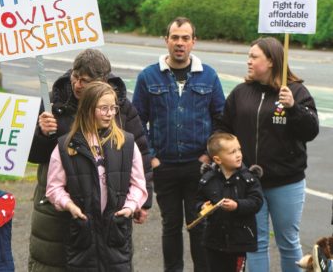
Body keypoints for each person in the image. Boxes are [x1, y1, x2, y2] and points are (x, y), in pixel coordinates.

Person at [27, 48, 152, 271]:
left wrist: (143, 201)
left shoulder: (121, 108)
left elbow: (139, 152)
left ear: (103, 81)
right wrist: (43, 134)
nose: (77, 85)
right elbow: (34, 155)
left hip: (106, 209)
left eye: (86, 81)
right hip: (57, 210)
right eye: (76, 77)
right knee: (54, 262)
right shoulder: (53, 103)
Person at [215, 36, 319, 272]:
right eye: (248, 56)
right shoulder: (241, 92)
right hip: (249, 182)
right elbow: (223, 126)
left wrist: (294, 108)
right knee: (256, 242)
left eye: (254, 57)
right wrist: (223, 150)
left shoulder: (296, 91)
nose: (248, 61)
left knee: (288, 241)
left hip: (287, 183)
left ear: (271, 61)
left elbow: (311, 130)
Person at [132, 16, 225, 272]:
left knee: (200, 223)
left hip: (200, 167)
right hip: (165, 167)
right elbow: (136, 120)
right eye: (175, 37)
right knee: (171, 226)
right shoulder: (148, 77)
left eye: (185, 38)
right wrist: (150, 156)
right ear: (166, 41)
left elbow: (221, 119)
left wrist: (208, 155)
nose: (180, 43)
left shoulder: (209, 75)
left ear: (194, 42)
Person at [46, 81, 148, 271]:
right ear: (87, 109)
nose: (110, 113)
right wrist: (69, 205)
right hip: (82, 234)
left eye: (113, 108)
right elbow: (54, 187)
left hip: (116, 233)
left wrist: (130, 207)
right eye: (103, 108)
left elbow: (138, 184)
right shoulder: (66, 146)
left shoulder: (126, 143)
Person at [196, 133, 264, 272]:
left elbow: (256, 202)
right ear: (217, 159)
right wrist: (202, 207)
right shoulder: (208, 179)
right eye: (232, 152)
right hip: (214, 240)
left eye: (239, 149)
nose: (238, 154)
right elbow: (198, 200)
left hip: (239, 241)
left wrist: (237, 205)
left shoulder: (249, 179)